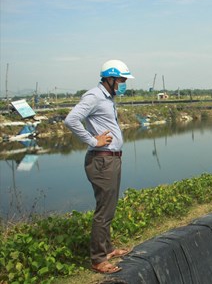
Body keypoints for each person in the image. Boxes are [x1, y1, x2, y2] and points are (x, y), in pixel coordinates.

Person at [64, 59, 133, 274]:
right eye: (121, 80)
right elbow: (71, 120)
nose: (123, 84)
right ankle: (97, 259)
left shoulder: (108, 98)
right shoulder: (94, 96)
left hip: (111, 158)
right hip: (102, 160)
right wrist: (94, 141)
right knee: (103, 210)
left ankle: (107, 249)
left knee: (109, 206)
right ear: (110, 78)